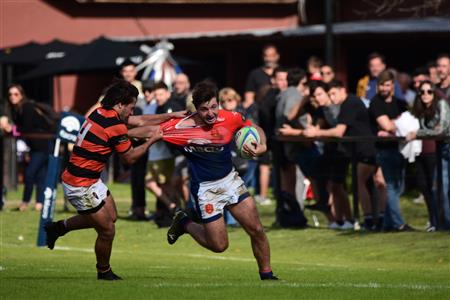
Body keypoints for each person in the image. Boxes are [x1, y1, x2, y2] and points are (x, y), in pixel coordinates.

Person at [44, 80, 183, 280]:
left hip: (88, 179)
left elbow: (140, 121)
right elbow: (130, 158)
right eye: (131, 107)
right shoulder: (114, 124)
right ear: (120, 105)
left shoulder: (101, 112)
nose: (132, 112)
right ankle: (104, 271)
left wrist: (170, 116)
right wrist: (152, 140)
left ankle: (58, 228)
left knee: (110, 217)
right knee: (107, 230)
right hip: (80, 184)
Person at [160, 80, 277, 280]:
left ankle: (266, 275)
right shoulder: (181, 128)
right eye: (205, 109)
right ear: (196, 109)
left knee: (256, 229)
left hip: (231, 181)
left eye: (214, 106)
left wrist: (263, 145)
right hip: (206, 189)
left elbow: (254, 126)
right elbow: (146, 130)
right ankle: (185, 222)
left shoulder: (230, 117)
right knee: (219, 245)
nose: (211, 113)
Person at [304, 80, 387, 230]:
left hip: (366, 148)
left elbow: (338, 131)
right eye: (329, 94)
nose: (332, 97)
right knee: (371, 184)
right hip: (359, 149)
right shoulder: (345, 104)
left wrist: (316, 132)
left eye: (333, 93)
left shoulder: (350, 102)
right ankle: (376, 219)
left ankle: (370, 220)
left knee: (361, 181)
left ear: (343, 89)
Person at [368, 70, 413, 232]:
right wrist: (398, 125)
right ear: (377, 86)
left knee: (398, 187)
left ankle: (387, 224)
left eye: (387, 84)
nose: (384, 88)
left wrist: (394, 126)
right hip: (384, 150)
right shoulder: (375, 103)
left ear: (392, 85)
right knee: (392, 187)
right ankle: (398, 223)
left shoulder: (400, 102)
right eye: (381, 85)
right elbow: (387, 126)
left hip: (400, 148)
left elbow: (411, 122)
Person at [407, 80, 450, 231]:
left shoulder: (441, 105)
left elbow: (441, 130)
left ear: (434, 93)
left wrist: (418, 133)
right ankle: (440, 223)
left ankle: (443, 223)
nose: (425, 95)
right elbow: (433, 131)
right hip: (441, 148)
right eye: (422, 92)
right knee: (436, 188)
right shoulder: (421, 109)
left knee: (441, 188)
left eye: (429, 91)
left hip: (446, 147)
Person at [7, 84, 52, 212]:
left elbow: (26, 127)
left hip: (43, 145)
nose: (12, 97)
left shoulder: (27, 107)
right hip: (36, 146)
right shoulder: (17, 109)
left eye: (15, 94)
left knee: (29, 173)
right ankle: (39, 203)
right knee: (39, 174)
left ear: (21, 95)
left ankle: (25, 203)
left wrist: (13, 129)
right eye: (10, 94)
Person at [146, 81, 184, 227]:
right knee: (165, 184)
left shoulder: (172, 107)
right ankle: (175, 209)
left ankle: (178, 209)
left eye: (161, 94)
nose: (158, 97)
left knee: (170, 184)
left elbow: (172, 128)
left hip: (175, 153)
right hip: (169, 153)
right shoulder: (159, 107)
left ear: (168, 93)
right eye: (156, 95)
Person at [244, 44, 280, 110]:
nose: (269, 59)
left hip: (280, 113)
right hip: (261, 113)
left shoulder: (284, 72)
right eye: (266, 56)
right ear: (263, 57)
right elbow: (249, 99)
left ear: (277, 56)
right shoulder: (255, 74)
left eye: (272, 56)